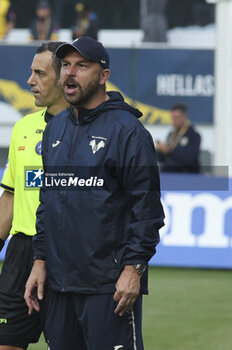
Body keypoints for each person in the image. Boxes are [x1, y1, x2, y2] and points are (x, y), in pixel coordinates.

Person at [24, 36, 165, 350]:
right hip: (58, 287)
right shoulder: (55, 129)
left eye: (82, 66)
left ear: (103, 76)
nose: (70, 73)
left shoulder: (128, 131)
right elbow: (47, 203)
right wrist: (40, 261)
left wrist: (134, 270)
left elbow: (147, 211)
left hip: (108, 286)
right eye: (66, 66)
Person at [0, 41, 68, 350]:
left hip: (67, 253)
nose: (30, 81)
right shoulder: (23, 127)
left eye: (39, 73)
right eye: (31, 72)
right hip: (21, 252)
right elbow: (11, 197)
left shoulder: (90, 131)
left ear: (63, 77)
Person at [156, 103, 201, 173]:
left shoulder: (193, 135)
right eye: (172, 118)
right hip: (169, 174)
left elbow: (188, 158)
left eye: (177, 117)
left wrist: (168, 150)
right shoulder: (171, 134)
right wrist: (160, 151)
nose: (174, 121)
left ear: (185, 117)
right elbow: (164, 159)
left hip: (186, 175)